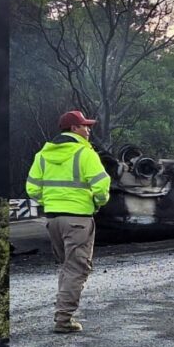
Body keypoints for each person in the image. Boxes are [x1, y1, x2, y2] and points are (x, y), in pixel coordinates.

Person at [26, 110, 111, 333]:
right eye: (85, 126)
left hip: (54, 220)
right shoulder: (85, 153)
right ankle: (63, 320)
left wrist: (52, 202)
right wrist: (98, 202)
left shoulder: (43, 155)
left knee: (67, 268)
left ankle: (63, 312)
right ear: (74, 129)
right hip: (78, 220)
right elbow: (101, 185)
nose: (88, 130)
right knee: (76, 269)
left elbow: (32, 188)